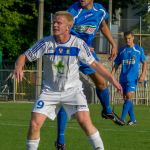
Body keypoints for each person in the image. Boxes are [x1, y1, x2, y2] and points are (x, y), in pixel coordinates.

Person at [13, 11, 123, 150]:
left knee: (84, 122)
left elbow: (95, 64)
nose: (55, 25)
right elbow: (25, 56)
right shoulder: (45, 42)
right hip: (49, 91)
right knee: (35, 123)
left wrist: (112, 79)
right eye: (54, 22)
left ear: (68, 27)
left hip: (73, 91)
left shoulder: (78, 44)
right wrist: (19, 65)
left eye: (59, 23)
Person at [55, 0, 124, 149]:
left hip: (87, 54)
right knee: (66, 97)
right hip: (70, 54)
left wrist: (113, 43)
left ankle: (107, 111)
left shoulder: (100, 11)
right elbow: (62, 31)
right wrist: (81, 45)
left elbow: (103, 24)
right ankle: (60, 141)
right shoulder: (73, 11)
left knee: (101, 82)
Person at [112, 31, 147, 125]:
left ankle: (121, 119)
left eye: (129, 38)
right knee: (127, 99)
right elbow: (116, 64)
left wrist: (143, 74)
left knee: (128, 97)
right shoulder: (122, 50)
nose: (127, 40)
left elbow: (144, 62)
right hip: (122, 78)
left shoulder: (139, 50)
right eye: (126, 38)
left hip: (132, 79)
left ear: (133, 38)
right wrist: (111, 76)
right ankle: (133, 119)